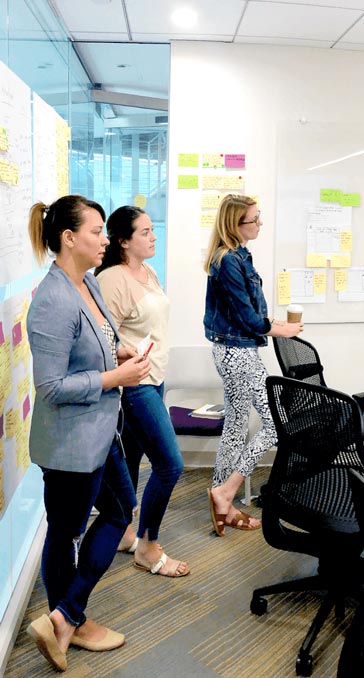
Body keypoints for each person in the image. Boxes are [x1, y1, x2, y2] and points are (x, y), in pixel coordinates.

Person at [25, 195, 151, 671]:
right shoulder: (53, 300)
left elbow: (95, 344)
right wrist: (115, 378)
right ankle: (67, 621)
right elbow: (51, 387)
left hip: (101, 433)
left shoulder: (89, 284)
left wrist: (119, 355)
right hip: (70, 443)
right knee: (65, 533)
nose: (104, 240)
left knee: (119, 510)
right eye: (96, 232)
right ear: (68, 238)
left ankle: (63, 617)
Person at [95, 206, 188, 578]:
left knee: (133, 456)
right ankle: (147, 547)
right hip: (135, 384)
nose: (153, 237)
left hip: (154, 375)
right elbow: (104, 340)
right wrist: (124, 363)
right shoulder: (112, 279)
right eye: (145, 232)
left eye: (153, 230)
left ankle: (124, 532)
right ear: (123, 240)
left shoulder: (148, 271)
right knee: (169, 465)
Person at [202, 195, 302, 536]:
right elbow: (247, 317)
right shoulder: (228, 260)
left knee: (243, 425)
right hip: (236, 352)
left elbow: (250, 313)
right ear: (235, 224)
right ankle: (225, 494)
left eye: (259, 217)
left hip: (240, 351)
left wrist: (273, 324)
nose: (260, 224)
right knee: (264, 425)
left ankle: (222, 498)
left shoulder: (240, 255)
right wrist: (280, 329)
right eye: (254, 219)